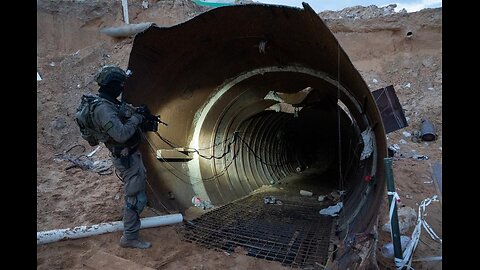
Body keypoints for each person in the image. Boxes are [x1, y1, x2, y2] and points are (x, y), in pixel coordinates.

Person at [91, 65, 151, 249]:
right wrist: (137, 119)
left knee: (137, 194)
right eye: (119, 85)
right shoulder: (103, 109)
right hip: (126, 157)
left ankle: (130, 224)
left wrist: (134, 112)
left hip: (130, 155)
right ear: (110, 85)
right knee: (135, 199)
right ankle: (130, 237)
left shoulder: (107, 102)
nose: (121, 88)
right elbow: (122, 134)